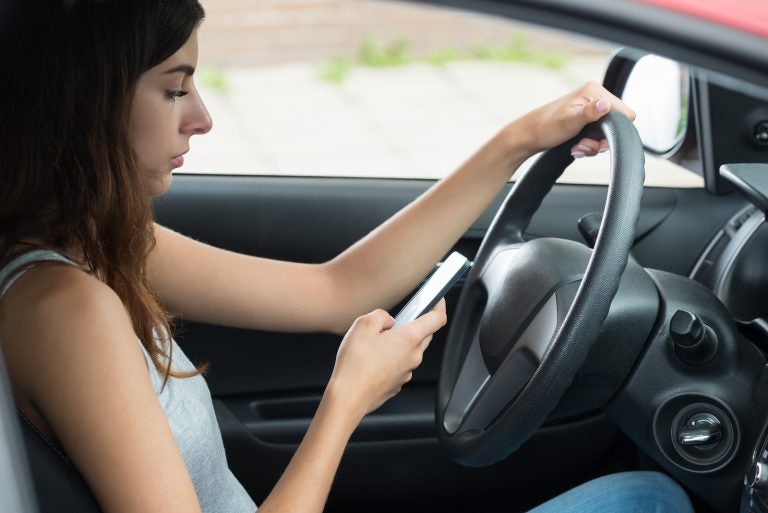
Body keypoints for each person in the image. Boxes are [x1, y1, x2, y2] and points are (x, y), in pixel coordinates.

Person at [0, 1, 693, 513]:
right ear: (87, 105)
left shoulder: (103, 243)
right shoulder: (64, 308)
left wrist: (520, 139)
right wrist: (345, 401)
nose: (202, 117)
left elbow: (335, 289)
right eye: (175, 88)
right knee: (654, 499)